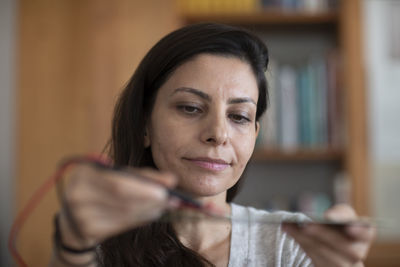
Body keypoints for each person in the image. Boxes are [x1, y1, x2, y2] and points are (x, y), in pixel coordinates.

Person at [50, 23, 375, 267]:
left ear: (255, 134)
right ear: (144, 125)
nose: (218, 133)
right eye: (190, 108)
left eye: (239, 116)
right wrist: (73, 244)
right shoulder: (91, 245)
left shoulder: (292, 246)